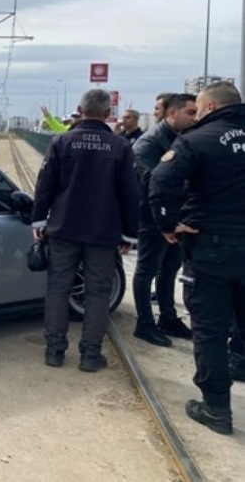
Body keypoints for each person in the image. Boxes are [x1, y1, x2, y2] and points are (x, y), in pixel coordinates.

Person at [149, 81, 245, 435]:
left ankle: (216, 408)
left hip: (212, 248)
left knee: (209, 329)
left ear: (207, 108)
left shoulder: (194, 141)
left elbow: (161, 183)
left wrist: (168, 223)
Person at [31, 89, 139, 372]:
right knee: (98, 293)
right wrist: (130, 234)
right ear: (107, 115)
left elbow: (45, 185)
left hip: (64, 229)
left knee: (57, 289)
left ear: (80, 109)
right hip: (103, 234)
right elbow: (130, 192)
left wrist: (39, 221)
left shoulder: (61, 141)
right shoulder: (120, 147)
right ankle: (91, 356)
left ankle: (54, 352)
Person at [131, 93, 198, 347]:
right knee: (146, 270)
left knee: (169, 269)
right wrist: (166, 222)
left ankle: (168, 318)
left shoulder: (182, 139)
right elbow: (153, 184)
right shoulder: (149, 143)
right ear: (172, 114)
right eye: (190, 113)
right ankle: (144, 323)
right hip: (152, 217)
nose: (195, 117)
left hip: (177, 216)